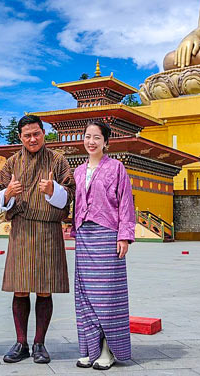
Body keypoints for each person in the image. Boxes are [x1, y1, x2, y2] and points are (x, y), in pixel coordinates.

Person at [0, 114, 75, 364]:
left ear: (44, 133)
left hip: (48, 231)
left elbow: (70, 192)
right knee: (20, 289)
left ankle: (39, 343)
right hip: (21, 229)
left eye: (37, 133)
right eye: (27, 135)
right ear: (20, 137)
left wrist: (54, 191)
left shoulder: (57, 160)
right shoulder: (11, 163)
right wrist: (7, 194)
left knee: (44, 289)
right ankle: (21, 343)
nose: (32, 138)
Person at [73, 121, 135, 370]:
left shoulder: (117, 168)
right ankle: (91, 348)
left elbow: (126, 203)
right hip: (84, 236)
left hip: (108, 235)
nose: (91, 141)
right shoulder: (78, 171)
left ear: (106, 142)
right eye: (87, 136)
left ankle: (109, 350)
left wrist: (124, 235)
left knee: (108, 296)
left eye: (97, 137)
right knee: (85, 296)